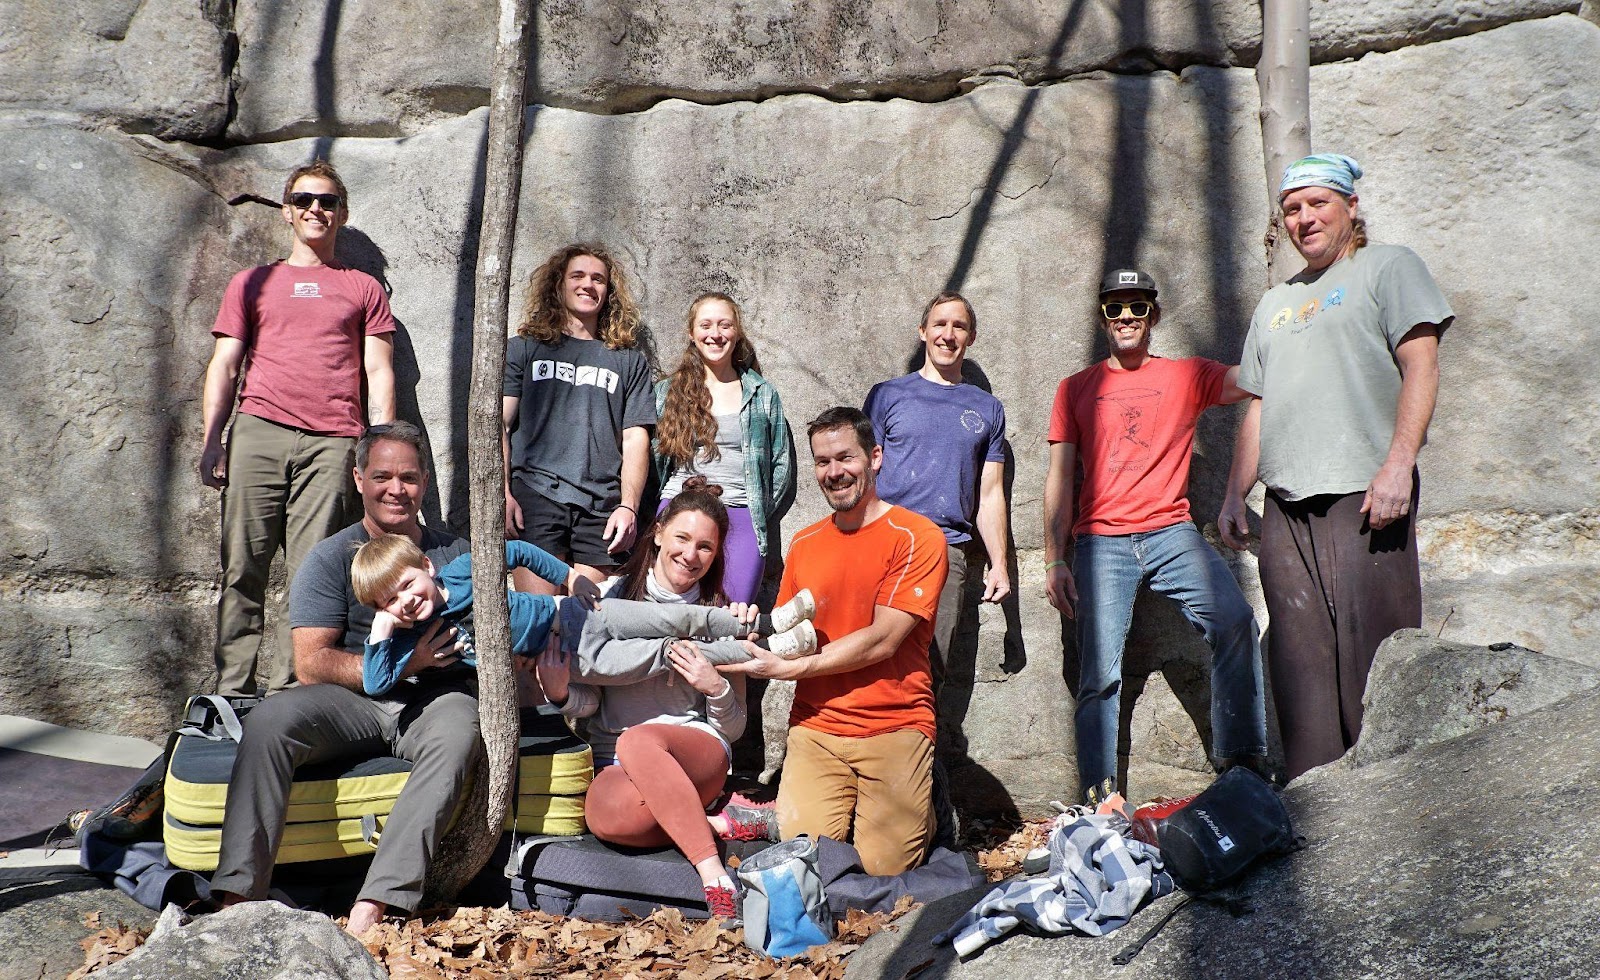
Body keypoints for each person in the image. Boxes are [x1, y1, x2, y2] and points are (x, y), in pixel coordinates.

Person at [1219, 154, 1452, 781]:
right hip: (1287, 510)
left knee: (1375, 668)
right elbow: (1259, 406)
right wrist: (1235, 493)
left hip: (1365, 495)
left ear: (1350, 206)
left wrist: (1399, 464)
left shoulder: (1387, 267)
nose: (1304, 218)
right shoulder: (1273, 304)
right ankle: (1319, 827)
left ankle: (1394, 808)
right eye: (1292, 209)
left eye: (1317, 203)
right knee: (1301, 680)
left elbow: (1421, 367)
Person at [209, 421, 476, 937]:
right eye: (381, 476)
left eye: (408, 477)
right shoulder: (334, 556)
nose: (396, 489)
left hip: (437, 702)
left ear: (425, 482)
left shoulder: (454, 554)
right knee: (269, 721)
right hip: (350, 699)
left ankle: (376, 903)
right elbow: (311, 663)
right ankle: (237, 896)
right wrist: (407, 663)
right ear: (358, 479)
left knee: (460, 728)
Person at [1043, 269, 1267, 798]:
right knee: (1098, 673)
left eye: (1137, 308)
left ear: (1153, 316)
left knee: (1235, 622)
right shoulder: (1075, 388)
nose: (1125, 318)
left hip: (1171, 531)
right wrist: (1055, 558)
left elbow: (1258, 377)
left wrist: (1294, 318)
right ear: (1103, 319)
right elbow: (1058, 476)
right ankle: (1099, 802)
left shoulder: (1187, 375)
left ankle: (1243, 769)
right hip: (1100, 543)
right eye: (1114, 309)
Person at [535, 480, 782, 922]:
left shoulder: (723, 615)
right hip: (619, 763)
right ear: (660, 531)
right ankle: (717, 823)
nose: (691, 555)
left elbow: (735, 726)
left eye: (705, 547)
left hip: (695, 750)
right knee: (607, 818)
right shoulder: (606, 600)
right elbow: (589, 704)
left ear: (717, 554)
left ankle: (713, 876)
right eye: (683, 539)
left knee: (640, 741)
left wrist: (716, 687)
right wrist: (560, 693)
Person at [719, 408, 948, 877]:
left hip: (894, 723)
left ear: (875, 457)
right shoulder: (804, 543)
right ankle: (787, 812)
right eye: (823, 462)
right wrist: (745, 625)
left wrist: (790, 671)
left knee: (884, 868)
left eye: (845, 458)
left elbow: (882, 641)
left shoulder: (917, 536)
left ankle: (933, 802)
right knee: (806, 857)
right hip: (817, 729)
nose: (834, 472)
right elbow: (787, 633)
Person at [200, 159, 397, 697]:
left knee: (312, 573)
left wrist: (380, 451)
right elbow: (224, 364)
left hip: (335, 441)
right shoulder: (253, 282)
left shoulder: (363, 288)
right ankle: (233, 690)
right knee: (243, 563)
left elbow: (378, 370)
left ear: (342, 213)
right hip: (258, 429)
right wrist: (213, 439)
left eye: (328, 201)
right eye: (305, 199)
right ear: (287, 211)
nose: (316, 209)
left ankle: (293, 691)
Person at [347, 533, 816, 697]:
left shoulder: (463, 570)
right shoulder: (412, 635)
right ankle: (765, 650)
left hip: (576, 611)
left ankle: (768, 623)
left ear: (426, 567)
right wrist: (383, 628)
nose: (405, 602)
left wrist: (570, 577)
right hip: (572, 660)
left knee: (676, 619)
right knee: (666, 652)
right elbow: (375, 681)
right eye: (390, 601)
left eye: (407, 586)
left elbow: (515, 550)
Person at [863, 291, 1009, 734]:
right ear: (923, 331)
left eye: (959, 326)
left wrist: (1000, 563)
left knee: (929, 670)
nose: (948, 335)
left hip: (948, 551)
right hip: (885, 544)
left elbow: (990, 492)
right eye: (940, 324)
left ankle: (916, 777)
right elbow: (864, 470)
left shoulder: (986, 408)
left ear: (971, 337)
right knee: (866, 656)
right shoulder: (888, 395)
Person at [503, 243, 656, 598]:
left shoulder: (629, 362)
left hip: (602, 506)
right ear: (559, 284)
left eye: (598, 279)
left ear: (608, 291)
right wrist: (504, 493)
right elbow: (501, 424)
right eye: (578, 276)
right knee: (538, 617)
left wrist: (628, 506)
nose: (589, 285)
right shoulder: (525, 349)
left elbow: (635, 440)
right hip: (536, 494)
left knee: (586, 627)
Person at [653, 292, 796, 605]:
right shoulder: (667, 391)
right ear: (692, 333)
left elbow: (781, 465)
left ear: (737, 332)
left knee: (731, 616)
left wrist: (758, 507)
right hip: (678, 508)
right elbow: (653, 460)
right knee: (668, 611)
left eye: (724, 325)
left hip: (740, 511)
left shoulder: (761, 393)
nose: (715, 334)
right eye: (705, 325)